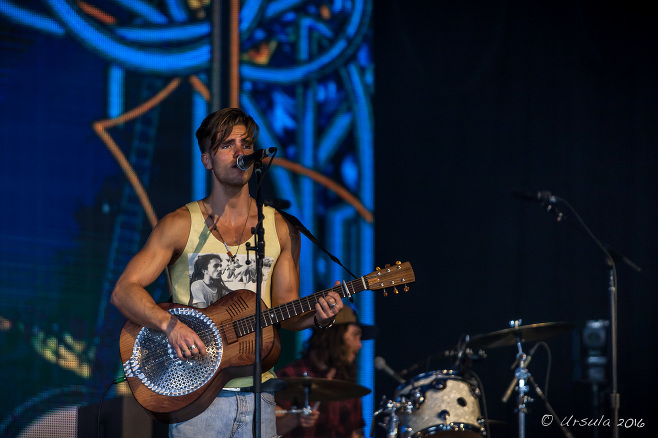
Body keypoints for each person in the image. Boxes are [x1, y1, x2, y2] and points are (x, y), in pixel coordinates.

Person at [110, 107, 344, 438]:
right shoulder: (179, 224)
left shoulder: (280, 228)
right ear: (206, 159)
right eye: (226, 145)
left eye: (245, 144)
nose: (239, 153)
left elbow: (287, 312)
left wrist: (321, 317)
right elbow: (124, 290)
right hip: (196, 400)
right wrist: (170, 325)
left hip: (260, 399)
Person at [275, 306, 378, 438]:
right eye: (355, 335)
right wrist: (295, 419)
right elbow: (269, 429)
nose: (359, 345)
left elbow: (356, 433)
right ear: (335, 335)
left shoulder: (347, 385)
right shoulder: (287, 376)